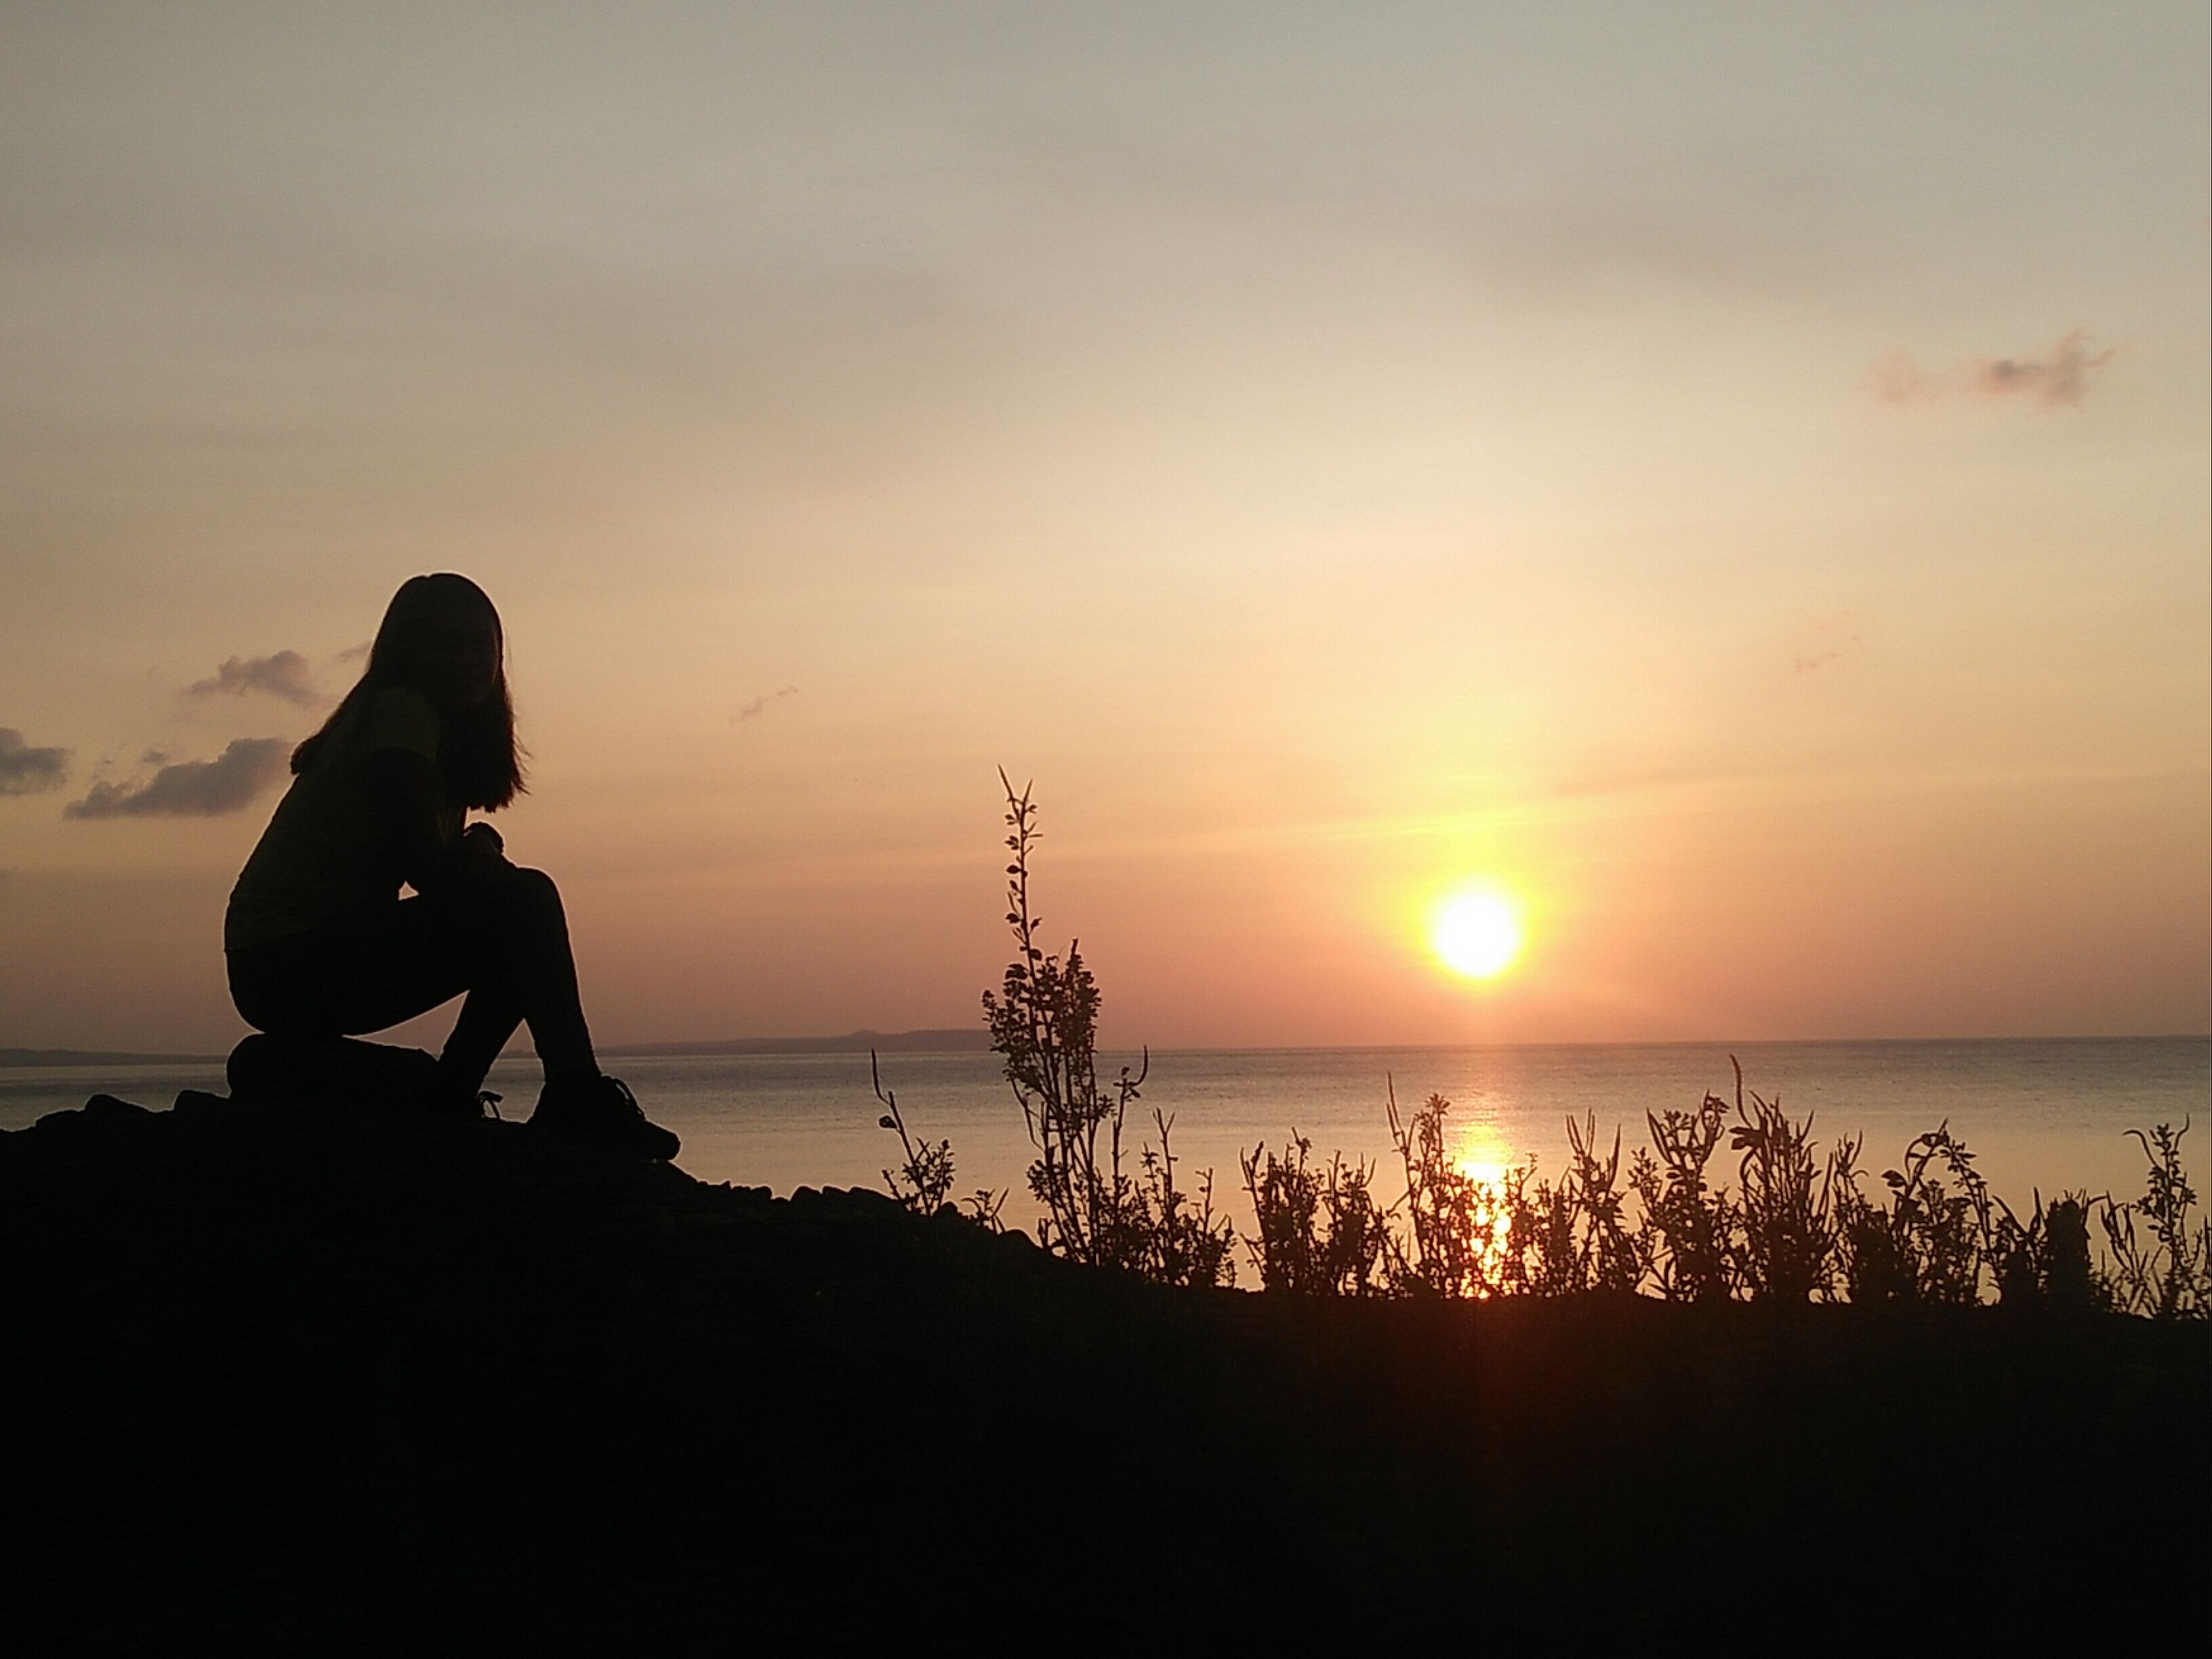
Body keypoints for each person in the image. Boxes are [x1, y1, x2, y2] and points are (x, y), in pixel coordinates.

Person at [224, 573, 678, 1158]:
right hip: (290, 961)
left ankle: (468, 1092)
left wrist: (479, 856)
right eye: (445, 644)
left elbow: (447, 880)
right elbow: (432, 872)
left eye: (478, 645)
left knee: (518, 916)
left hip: (289, 966)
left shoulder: (434, 729)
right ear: (406, 653)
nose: (465, 660)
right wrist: (483, 845)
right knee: (527, 903)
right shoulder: (402, 715)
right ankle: (560, 1091)